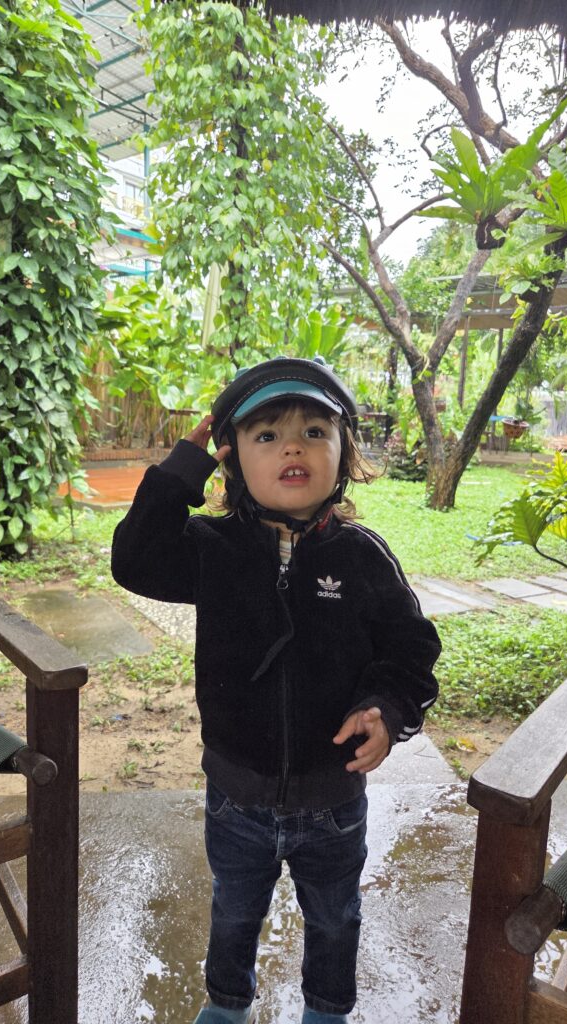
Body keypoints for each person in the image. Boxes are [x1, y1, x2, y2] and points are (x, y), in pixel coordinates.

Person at [111, 356, 441, 1024]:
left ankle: (326, 1008)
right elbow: (134, 560)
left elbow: (411, 653)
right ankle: (228, 1004)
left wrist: (386, 710)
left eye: (315, 431)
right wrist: (183, 467)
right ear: (233, 463)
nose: (293, 446)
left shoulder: (363, 557)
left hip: (333, 799)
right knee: (233, 908)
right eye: (267, 436)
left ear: (343, 452)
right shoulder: (210, 549)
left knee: (334, 914)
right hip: (237, 794)